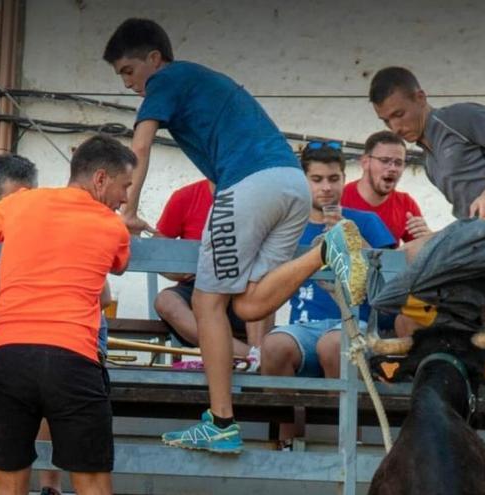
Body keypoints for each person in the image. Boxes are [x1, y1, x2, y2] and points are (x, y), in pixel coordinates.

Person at [104, 18, 365, 453]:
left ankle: (221, 422)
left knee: (208, 301)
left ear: (154, 59)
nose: (129, 84)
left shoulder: (165, 79)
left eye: (128, 71)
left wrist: (126, 212)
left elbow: (141, 147)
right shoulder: (205, 83)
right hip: (290, 187)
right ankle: (324, 249)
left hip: (249, 184)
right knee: (247, 300)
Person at [0, 135, 134, 495]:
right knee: (93, 482)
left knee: (7, 482)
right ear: (100, 178)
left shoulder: (19, 204)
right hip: (73, 360)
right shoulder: (113, 226)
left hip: (9, 357)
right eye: (125, 185)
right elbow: (119, 265)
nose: (126, 198)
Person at [368, 66, 485, 332]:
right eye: (386, 121)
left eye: (399, 114)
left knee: (413, 254)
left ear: (420, 97)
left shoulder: (460, 117)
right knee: (405, 306)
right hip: (481, 243)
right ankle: (482, 321)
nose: (395, 127)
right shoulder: (430, 162)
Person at [261, 143, 394, 441]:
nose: (326, 188)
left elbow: (389, 286)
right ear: (303, 181)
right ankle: (289, 443)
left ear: (345, 179)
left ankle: (349, 445)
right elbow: (265, 284)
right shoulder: (287, 227)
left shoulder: (367, 222)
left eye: (334, 179)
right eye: (317, 180)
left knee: (334, 344)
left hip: (356, 325)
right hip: (304, 327)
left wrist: (354, 238)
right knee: (273, 347)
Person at [153, 179, 270, 368]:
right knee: (165, 301)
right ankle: (253, 358)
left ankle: (255, 356)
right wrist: (176, 272)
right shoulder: (185, 196)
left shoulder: (261, 197)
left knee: (262, 285)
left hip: (245, 286)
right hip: (198, 286)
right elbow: (158, 247)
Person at [340, 130, 431, 244]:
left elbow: (420, 252)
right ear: (365, 162)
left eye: (398, 163)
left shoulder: (406, 204)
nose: (392, 168)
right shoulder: (340, 198)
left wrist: (428, 239)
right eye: (385, 161)